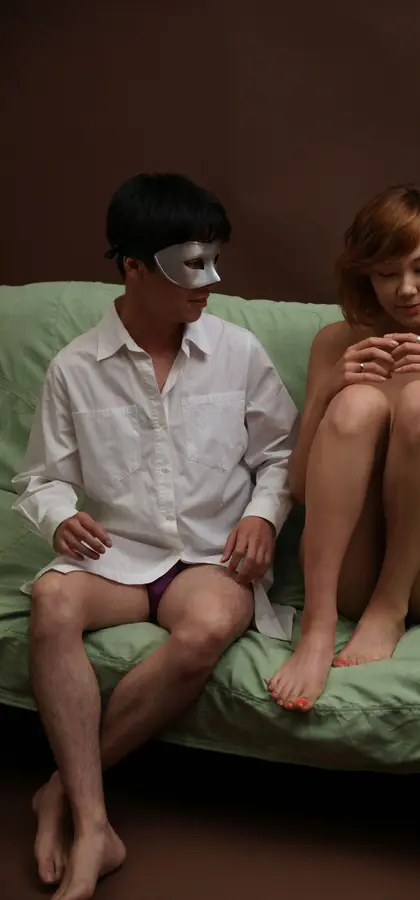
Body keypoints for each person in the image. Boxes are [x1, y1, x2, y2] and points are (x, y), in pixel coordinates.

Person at [12, 173, 298, 900]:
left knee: (210, 625)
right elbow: (39, 479)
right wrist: (58, 515)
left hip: (209, 560)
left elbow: (283, 455)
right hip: (119, 558)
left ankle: (60, 792)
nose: (211, 280)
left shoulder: (238, 352)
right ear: (135, 267)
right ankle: (95, 826)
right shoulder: (76, 369)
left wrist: (262, 515)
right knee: (51, 603)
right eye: (190, 264)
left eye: (215, 259)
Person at [268, 184, 420, 713]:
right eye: (386, 274)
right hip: (353, 576)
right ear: (366, 277)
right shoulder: (337, 342)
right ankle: (317, 627)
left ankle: (390, 609)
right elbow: (299, 489)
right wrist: (329, 392)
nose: (406, 290)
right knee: (357, 403)